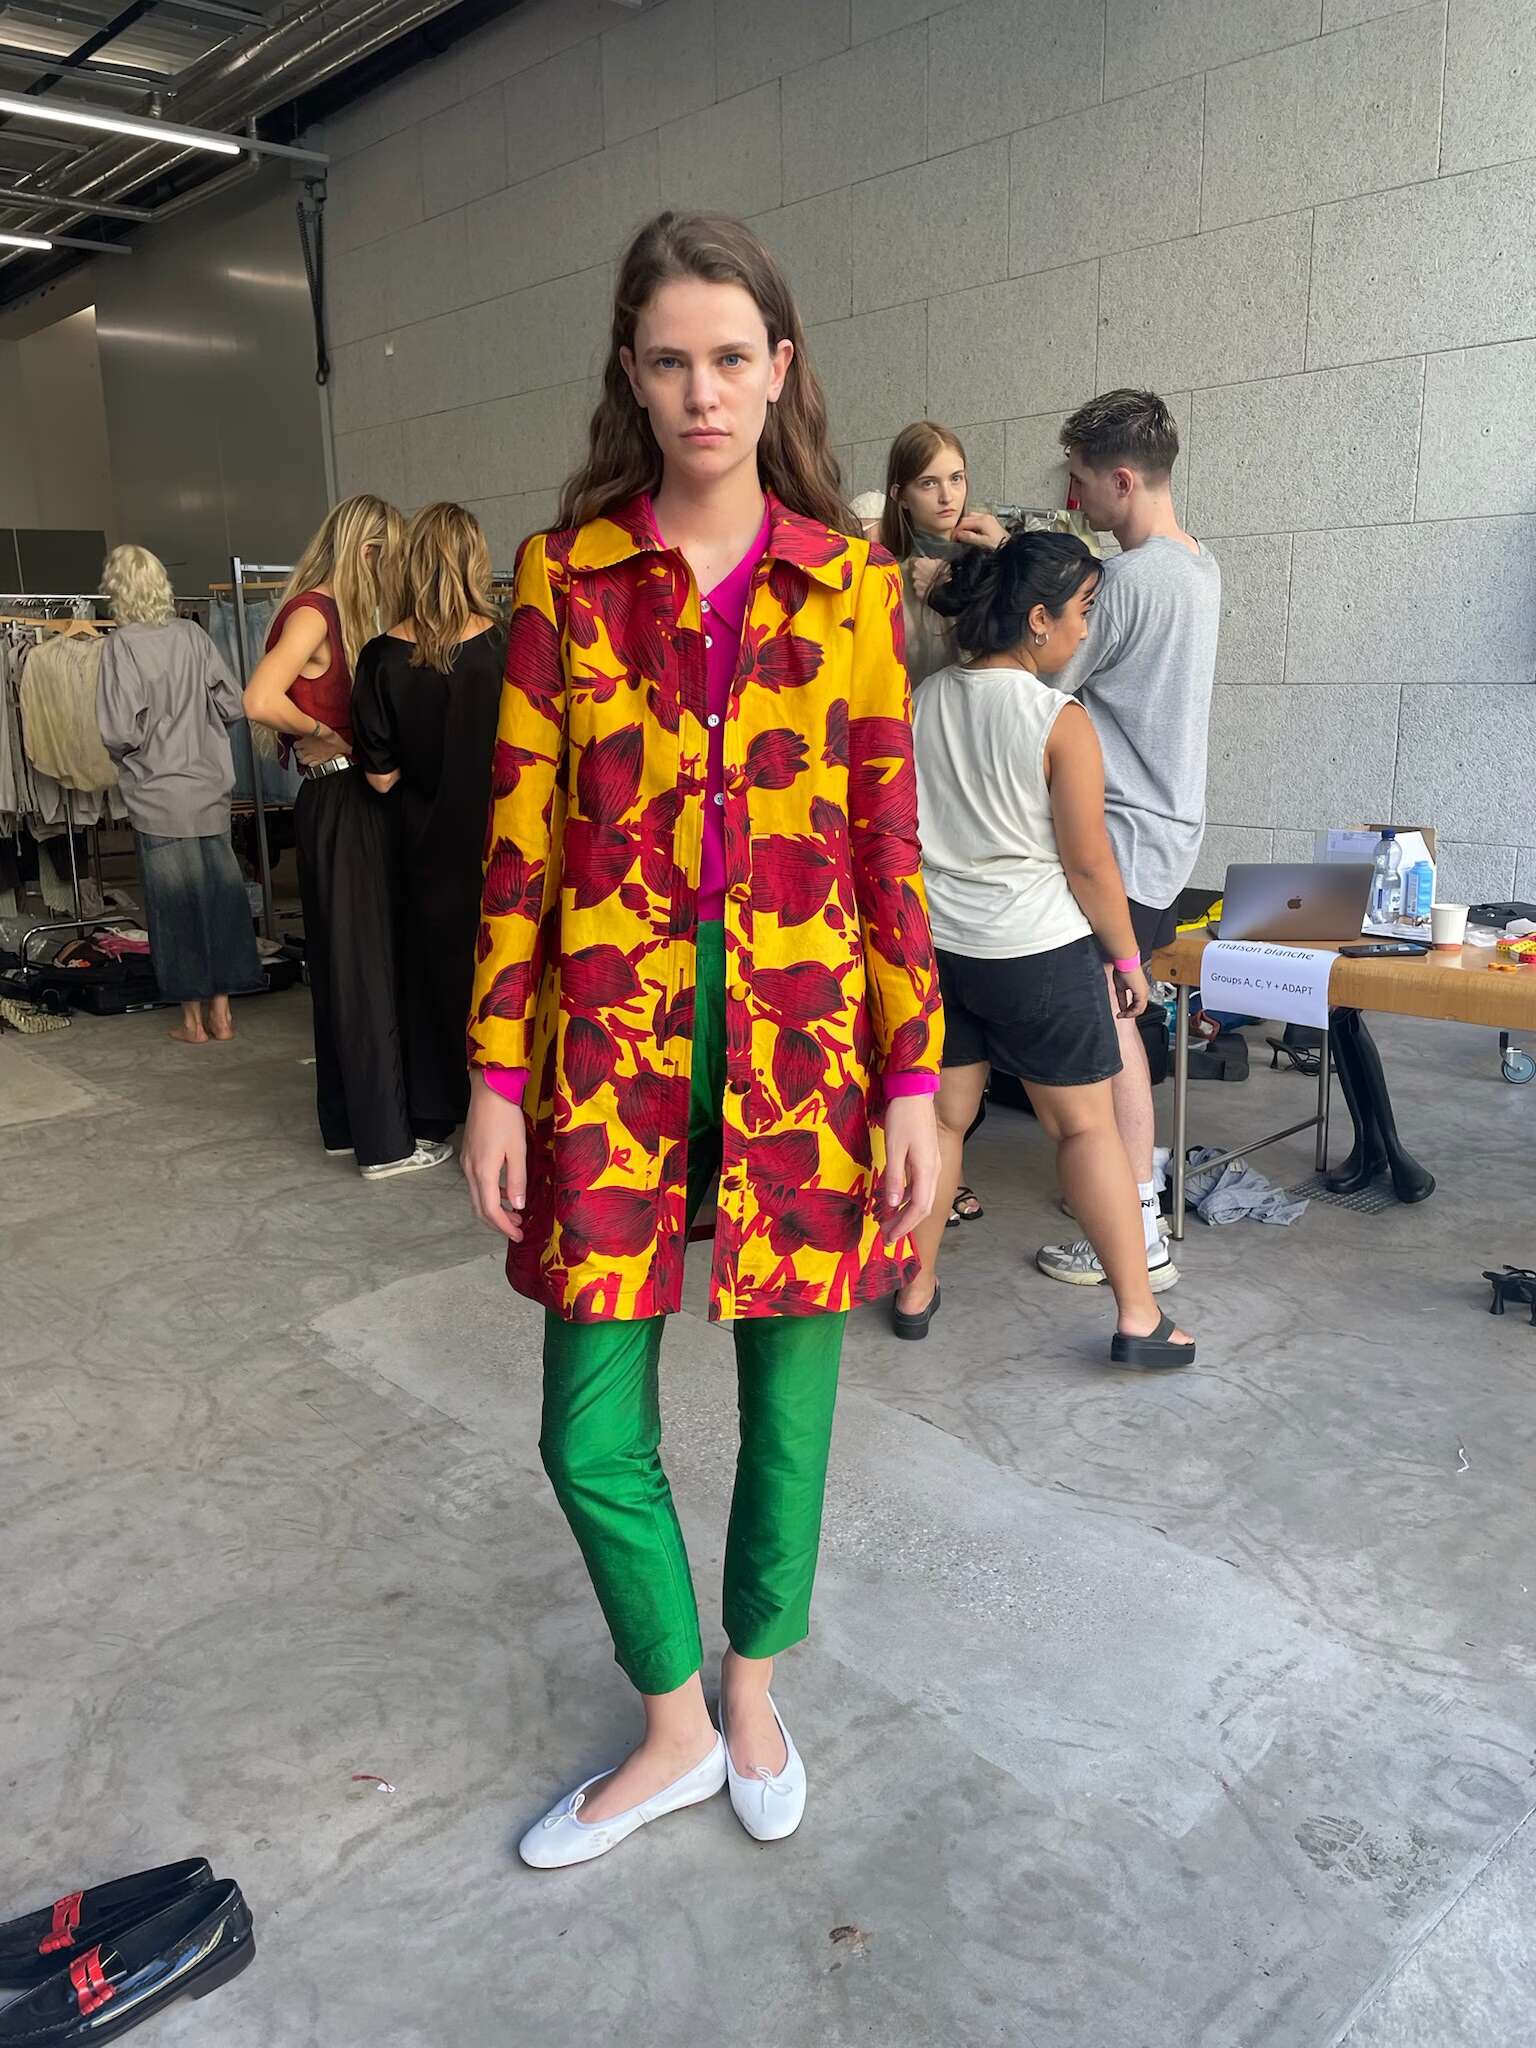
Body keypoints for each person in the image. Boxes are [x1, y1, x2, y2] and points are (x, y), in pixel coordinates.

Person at [461, 210, 943, 1868]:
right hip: (606, 1045)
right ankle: (671, 1716)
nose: (702, 391)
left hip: (805, 1055)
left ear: (779, 368)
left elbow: (890, 844)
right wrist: (495, 1073)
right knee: (587, 1420)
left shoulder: (853, 585)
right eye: (669, 359)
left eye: (731, 357)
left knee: (786, 1405)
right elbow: (520, 837)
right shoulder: (567, 577)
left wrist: (913, 1082)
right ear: (631, 372)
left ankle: (751, 1687)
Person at [893, 531, 1195, 1368]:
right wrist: (1129, 961)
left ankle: (915, 1288)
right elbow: (1089, 863)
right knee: (1086, 1131)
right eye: (1083, 613)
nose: (1088, 631)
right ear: (1037, 621)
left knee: (945, 1123)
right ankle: (1139, 1315)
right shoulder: (1058, 719)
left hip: (941, 950)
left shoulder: (922, 700)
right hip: (1038, 953)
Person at [1035, 390, 1220, 1293]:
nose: (1074, 504)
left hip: (1119, 841)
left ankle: (1137, 1227)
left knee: (1109, 1037)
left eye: (1079, 485)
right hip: (1165, 835)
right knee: (1120, 1024)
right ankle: (1122, 1196)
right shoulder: (1197, 566)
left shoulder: (1127, 583)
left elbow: (1040, 678)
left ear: (1120, 479)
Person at [243, 494, 448, 1183]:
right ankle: (386, 1144)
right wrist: (320, 732)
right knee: (364, 970)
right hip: (341, 792)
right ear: (362, 548)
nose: (390, 568)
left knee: (344, 968)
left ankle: (347, 1123)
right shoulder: (316, 611)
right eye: (383, 554)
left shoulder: (332, 613)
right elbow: (259, 699)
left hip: (337, 799)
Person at [352, 502, 507, 1139]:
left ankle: (445, 1110)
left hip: (422, 844)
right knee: (504, 974)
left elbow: (380, 775)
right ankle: (511, 1109)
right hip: (504, 841)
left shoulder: (381, 657)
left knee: (434, 976)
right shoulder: (508, 645)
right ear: (475, 561)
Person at [95, 544, 263, 1044]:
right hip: (209, 789)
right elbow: (233, 704)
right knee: (220, 901)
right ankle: (224, 1014)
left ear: (117, 591)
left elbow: (119, 730)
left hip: (157, 795)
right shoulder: (193, 636)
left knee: (175, 909)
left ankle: (192, 1023)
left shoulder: (121, 646)